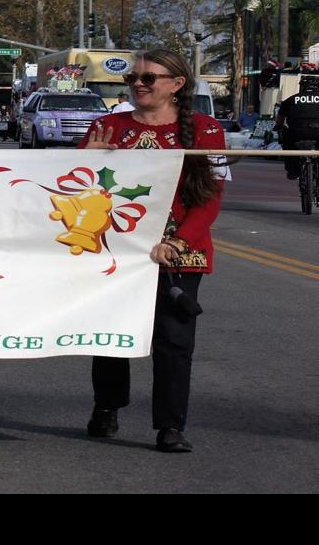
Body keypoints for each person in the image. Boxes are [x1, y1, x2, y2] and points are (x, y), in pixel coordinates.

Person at [79, 49, 225, 453]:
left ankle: (171, 426)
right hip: (115, 248)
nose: (139, 85)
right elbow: (73, 189)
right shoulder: (107, 125)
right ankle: (107, 406)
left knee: (174, 342)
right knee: (110, 335)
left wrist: (177, 243)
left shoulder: (207, 129)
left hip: (178, 249)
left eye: (149, 78)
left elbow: (210, 197)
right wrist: (81, 161)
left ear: (177, 84)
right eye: (134, 78)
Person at [274, 73, 319, 207]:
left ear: (301, 87)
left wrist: (279, 127)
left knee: (286, 138)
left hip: (297, 132)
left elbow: (280, 121)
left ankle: (292, 169)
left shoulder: (291, 99)